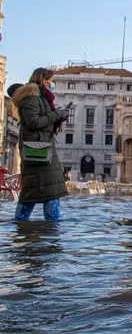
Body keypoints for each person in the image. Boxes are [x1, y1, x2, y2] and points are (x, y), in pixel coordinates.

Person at [12, 69, 70, 221]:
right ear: (43, 80)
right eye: (50, 80)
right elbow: (33, 122)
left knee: (38, 192)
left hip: (42, 149)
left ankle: (23, 227)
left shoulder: (41, 98)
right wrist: (56, 115)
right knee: (46, 193)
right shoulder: (31, 98)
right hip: (38, 151)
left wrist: (59, 116)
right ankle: (50, 231)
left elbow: (42, 121)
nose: (52, 83)